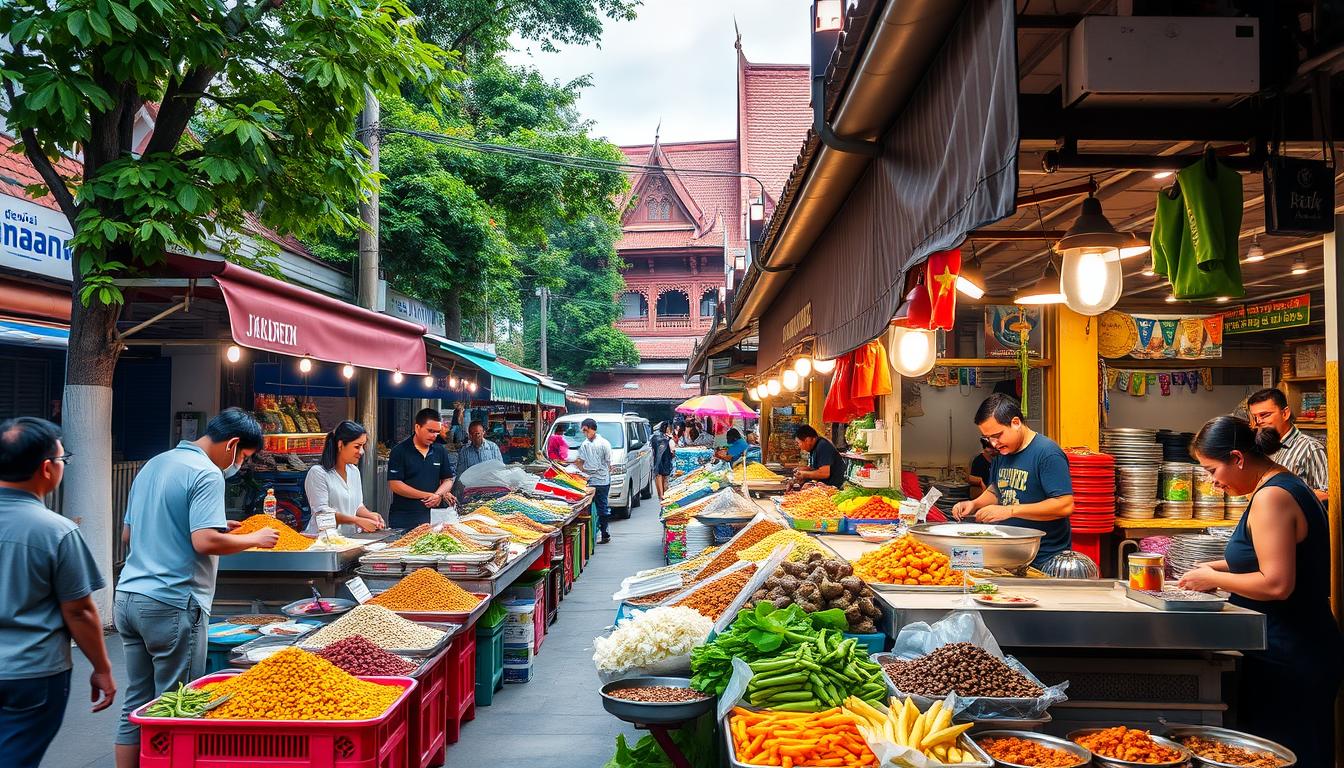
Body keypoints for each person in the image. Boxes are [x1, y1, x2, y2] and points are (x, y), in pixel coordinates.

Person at [115, 408, 279, 768]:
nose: (238, 465)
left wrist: (217, 528)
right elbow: (203, 542)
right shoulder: (207, 472)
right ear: (233, 444)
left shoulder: (155, 464)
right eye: (244, 457)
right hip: (172, 602)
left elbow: (129, 534)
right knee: (177, 702)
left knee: (137, 701)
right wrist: (255, 537)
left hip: (128, 597)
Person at [1177, 416, 1341, 765]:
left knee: (1291, 755)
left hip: (1291, 653)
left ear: (1237, 458)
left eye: (1211, 470)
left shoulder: (1273, 498)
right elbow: (1262, 560)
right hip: (1284, 646)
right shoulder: (1281, 484)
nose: (1211, 483)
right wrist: (1209, 569)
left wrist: (1214, 580)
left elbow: (1277, 583)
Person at [0, 418, 115, 768]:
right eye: (63, 459)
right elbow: (79, 610)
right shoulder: (57, 532)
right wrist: (102, 667)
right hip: (31, 672)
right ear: (46, 468)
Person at [950, 394, 1073, 567]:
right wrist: (974, 504)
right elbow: (997, 489)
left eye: (997, 435)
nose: (994, 443)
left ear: (1016, 422)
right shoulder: (1002, 452)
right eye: (988, 439)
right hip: (1009, 552)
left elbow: (1065, 505)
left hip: (1043, 557)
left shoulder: (1047, 453)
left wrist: (1009, 511)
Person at [1245, 388, 1328, 502]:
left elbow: (1328, 494)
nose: (1258, 421)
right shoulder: (1259, 448)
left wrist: (1284, 499)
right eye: (1255, 417)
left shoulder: (1311, 448)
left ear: (1285, 413)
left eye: (1264, 415)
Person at [303, 421, 385, 534]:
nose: (361, 452)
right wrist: (357, 520)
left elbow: (356, 505)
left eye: (363, 446)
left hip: (349, 539)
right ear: (340, 445)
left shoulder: (354, 471)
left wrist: (369, 515)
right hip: (322, 540)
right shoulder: (318, 473)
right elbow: (322, 513)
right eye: (357, 446)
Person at [386, 408, 457, 530]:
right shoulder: (399, 451)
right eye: (430, 431)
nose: (434, 436)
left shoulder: (440, 451)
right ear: (417, 427)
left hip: (434, 518)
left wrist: (438, 495)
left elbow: (448, 480)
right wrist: (427, 495)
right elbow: (395, 484)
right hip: (404, 518)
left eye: (436, 432)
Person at [574, 417, 614, 544]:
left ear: (592, 429)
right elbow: (580, 461)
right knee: (591, 509)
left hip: (601, 481)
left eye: (586, 430)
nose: (585, 433)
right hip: (591, 481)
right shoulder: (585, 444)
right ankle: (594, 534)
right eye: (583, 431)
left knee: (602, 508)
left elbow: (609, 463)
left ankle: (604, 534)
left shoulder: (604, 444)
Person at [454, 421, 504, 497]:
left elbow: (500, 469)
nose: (475, 437)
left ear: (483, 432)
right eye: (472, 434)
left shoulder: (493, 448)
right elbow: (460, 473)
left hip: (491, 489)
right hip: (472, 491)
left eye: (477, 433)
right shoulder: (464, 451)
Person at [792, 424, 846, 489]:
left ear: (807, 440)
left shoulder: (823, 446)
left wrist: (804, 474)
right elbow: (817, 468)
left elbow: (824, 473)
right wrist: (805, 469)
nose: (799, 446)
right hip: (823, 486)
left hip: (834, 488)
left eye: (798, 443)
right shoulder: (814, 447)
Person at [651, 421, 674, 498]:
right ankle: (662, 495)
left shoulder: (656, 437)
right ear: (666, 428)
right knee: (662, 476)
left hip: (661, 459)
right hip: (663, 459)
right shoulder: (664, 438)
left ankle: (662, 495)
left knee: (661, 476)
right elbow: (672, 450)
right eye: (668, 427)